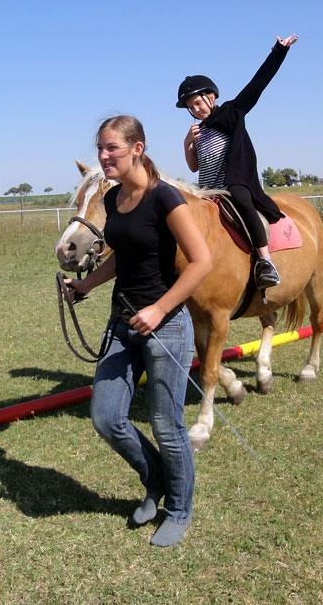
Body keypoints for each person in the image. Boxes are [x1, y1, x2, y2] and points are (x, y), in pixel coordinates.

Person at [63, 115, 212, 547]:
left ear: (138, 149)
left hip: (166, 326)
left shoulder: (166, 198)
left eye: (112, 148)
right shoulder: (113, 201)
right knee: (107, 418)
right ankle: (156, 481)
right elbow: (121, 257)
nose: (104, 156)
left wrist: (161, 307)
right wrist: (86, 285)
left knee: (168, 425)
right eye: (101, 149)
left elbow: (201, 261)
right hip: (121, 322)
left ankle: (179, 508)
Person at [178, 33, 298, 288]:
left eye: (198, 102)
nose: (196, 109)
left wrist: (279, 51)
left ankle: (265, 261)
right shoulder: (198, 131)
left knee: (242, 199)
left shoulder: (233, 111)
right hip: (206, 191)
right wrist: (187, 142)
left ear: (211, 97)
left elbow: (258, 84)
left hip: (233, 184)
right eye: (191, 106)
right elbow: (194, 167)